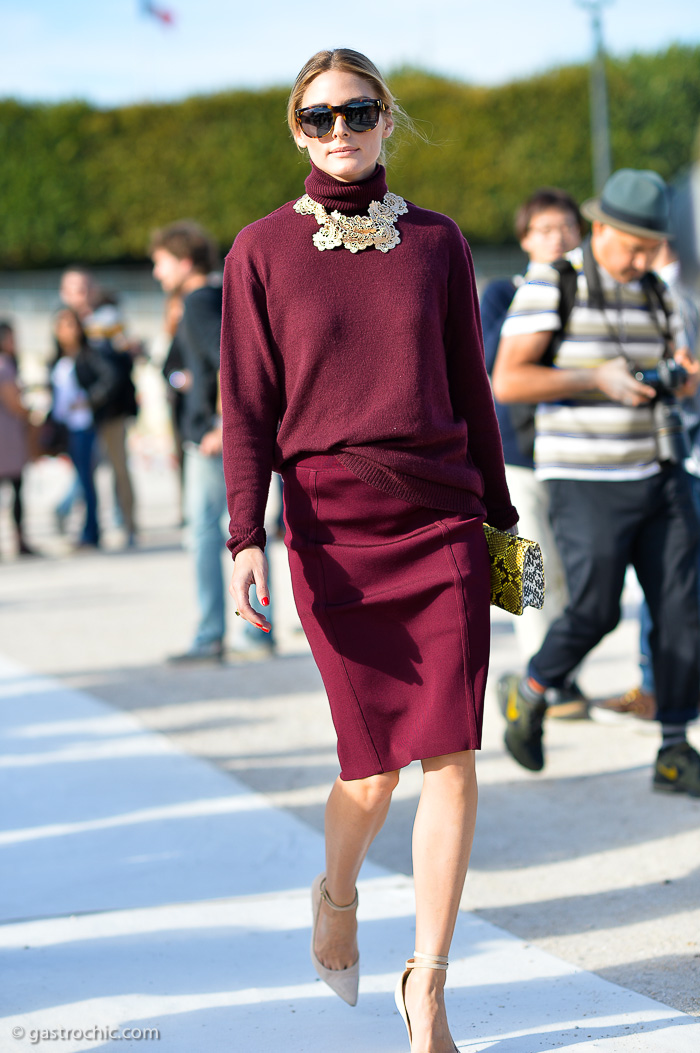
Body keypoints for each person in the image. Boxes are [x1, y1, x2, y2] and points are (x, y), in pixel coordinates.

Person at [221, 48, 517, 1051]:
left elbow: (471, 390)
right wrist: (240, 537)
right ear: (294, 128)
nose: (339, 131)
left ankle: (427, 985)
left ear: (387, 118)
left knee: (452, 756)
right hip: (332, 532)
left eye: (357, 112)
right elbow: (246, 407)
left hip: (441, 518)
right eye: (317, 117)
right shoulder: (258, 251)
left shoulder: (439, 243)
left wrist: (503, 524)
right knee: (371, 772)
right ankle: (335, 894)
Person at [493, 168, 700, 796]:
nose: (640, 259)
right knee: (583, 604)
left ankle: (672, 745)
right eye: (630, 245)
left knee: (682, 612)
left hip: (661, 470)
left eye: (651, 247)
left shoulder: (660, 295)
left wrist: (681, 378)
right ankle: (529, 688)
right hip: (570, 474)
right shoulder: (538, 288)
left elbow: (682, 373)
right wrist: (596, 379)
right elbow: (504, 381)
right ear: (598, 229)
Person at [481, 189, 585, 715]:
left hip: (575, 450)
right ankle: (540, 676)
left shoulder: (590, 295)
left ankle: (558, 674)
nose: (557, 238)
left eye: (566, 228)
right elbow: (492, 359)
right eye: (544, 230)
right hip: (511, 452)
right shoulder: (503, 291)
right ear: (525, 239)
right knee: (523, 570)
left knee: (571, 568)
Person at [151, 222, 230, 662]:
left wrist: (220, 423)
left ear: (183, 262)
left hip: (209, 434)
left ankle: (210, 635)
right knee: (238, 528)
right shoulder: (218, 293)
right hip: (214, 430)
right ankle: (256, 634)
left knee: (203, 531)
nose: (156, 273)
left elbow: (227, 361)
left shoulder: (197, 300)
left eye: (160, 263)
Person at [59, 267, 139, 545]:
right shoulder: (64, 322)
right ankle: (77, 519)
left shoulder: (107, 320)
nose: (80, 295)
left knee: (118, 467)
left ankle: (127, 524)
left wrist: (95, 397)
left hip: (109, 410)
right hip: (79, 414)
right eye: (74, 289)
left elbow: (119, 366)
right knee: (83, 469)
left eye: (84, 288)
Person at [50, 309, 115, 549]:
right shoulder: (56, 358)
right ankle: (84, 527)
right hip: (65, 426)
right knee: (77, 478)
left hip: (84, 425)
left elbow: (110, 378)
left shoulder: (88, 355)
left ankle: (91, 532)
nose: (67, 330)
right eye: (62, 325)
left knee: (86, 480)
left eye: (71, 324)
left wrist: (89, 398)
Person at [0, 321, 34, 557]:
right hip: (8, 434)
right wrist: (30, 414)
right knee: (16, 488)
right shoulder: (4, 365)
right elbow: (14, 403)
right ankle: (19, 540)